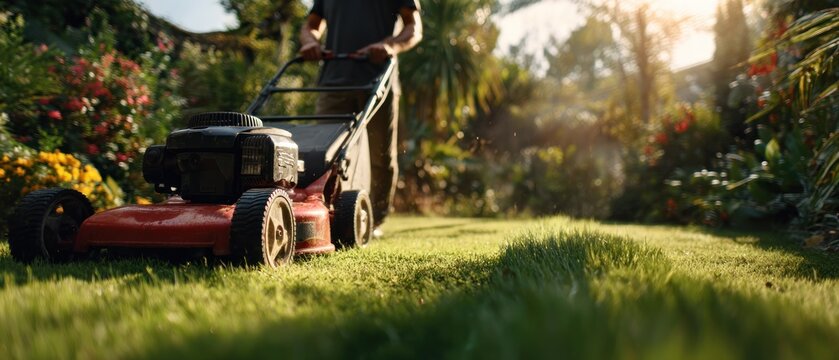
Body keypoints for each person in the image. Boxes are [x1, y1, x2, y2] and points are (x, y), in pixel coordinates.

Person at [299, 0, 422, 235]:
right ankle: (322, 213)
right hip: (333, 80)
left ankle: (374, 219)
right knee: (321, 154)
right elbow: (311, 26)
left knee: (380, 155)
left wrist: (390, 46)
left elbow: (413, 28)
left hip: (377, 81)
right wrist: (310, 42)